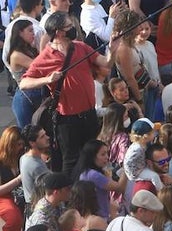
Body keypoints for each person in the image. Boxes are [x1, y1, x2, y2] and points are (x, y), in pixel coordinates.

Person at [19, 11, 108, 174]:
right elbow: (24, 83)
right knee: (71, 161)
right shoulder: (46, 57)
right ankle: (71, 196)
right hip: (67, 121)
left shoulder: (80, 47)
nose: (73, 28)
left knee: (93, 156)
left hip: (89, 115)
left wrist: (114, 48)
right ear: (59, 32)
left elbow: (106, 63)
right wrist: (47, 80)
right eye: (69, 26)